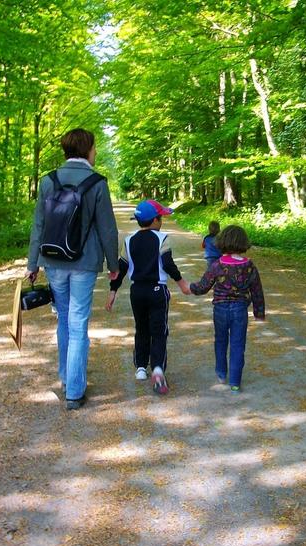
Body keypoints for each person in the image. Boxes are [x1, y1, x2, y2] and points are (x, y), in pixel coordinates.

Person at [26, 128, 119, 411]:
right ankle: (75, 393)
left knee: (64, 320)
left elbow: (38, 227)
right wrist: (113, 266)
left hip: (53, 260)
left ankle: (67, 379)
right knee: (78, 322)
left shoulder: (48, 181)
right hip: (85, 262)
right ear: (87, 149)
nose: (96, 151)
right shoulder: (97, 183)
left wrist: (32, 263)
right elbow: (107, 229)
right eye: (95, 147)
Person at [105, 199, 190, 395]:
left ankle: (141, 368)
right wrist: (182, 283)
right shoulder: (162, 238)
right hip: (157, 291)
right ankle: (158, 368)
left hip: (137, 292)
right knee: (159, 331)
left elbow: (122, 268)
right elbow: (168, 264)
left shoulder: (129, 240)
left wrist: (113, 290)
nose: (162, 222)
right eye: (161, 218)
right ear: (154, 220)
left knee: (141, 328)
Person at [190, 225, 265, 392]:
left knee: (221, 341)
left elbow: (203, 286)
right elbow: (257, 290)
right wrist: (259, 313)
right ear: (243, 243)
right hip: (240, 310)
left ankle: (221, 374)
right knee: (238, 344)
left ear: (222, 242)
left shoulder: (217, 265)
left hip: (220, 309)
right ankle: (235, 382)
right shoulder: (249, 265)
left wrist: (190, 288)